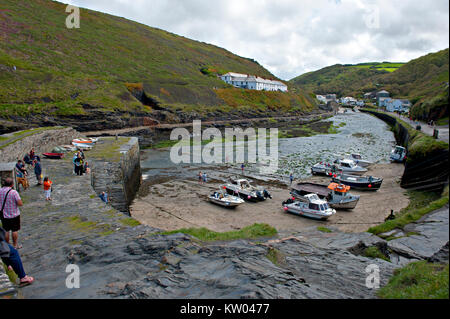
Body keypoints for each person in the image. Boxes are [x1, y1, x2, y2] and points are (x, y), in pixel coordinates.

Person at [0, 178, 23, 249]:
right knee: (14, 230)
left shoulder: (0, 191)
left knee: (6, 230)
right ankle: (15, 245)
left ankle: (7, 245)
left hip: (4, 214)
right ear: (12, 184)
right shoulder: (14, 192)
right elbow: (20, 203)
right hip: (14, 214)